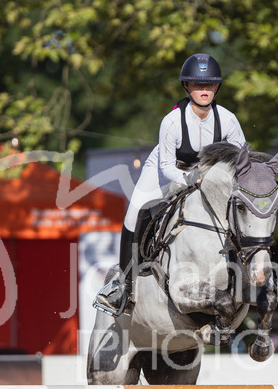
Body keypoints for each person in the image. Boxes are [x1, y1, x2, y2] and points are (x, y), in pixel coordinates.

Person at [94, 53, 247, 315]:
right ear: (187, 86)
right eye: (198, 84)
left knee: (244, 208)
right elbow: (166, 165)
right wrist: (190, 179)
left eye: (210, 84)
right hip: (167, 172)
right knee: (135, 212)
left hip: (208, 175)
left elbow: (242, 160)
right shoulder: (173, 121)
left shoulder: (228, 119)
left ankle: (260, 274)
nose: (204, 90)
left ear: (217, 87)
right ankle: (124, 288)